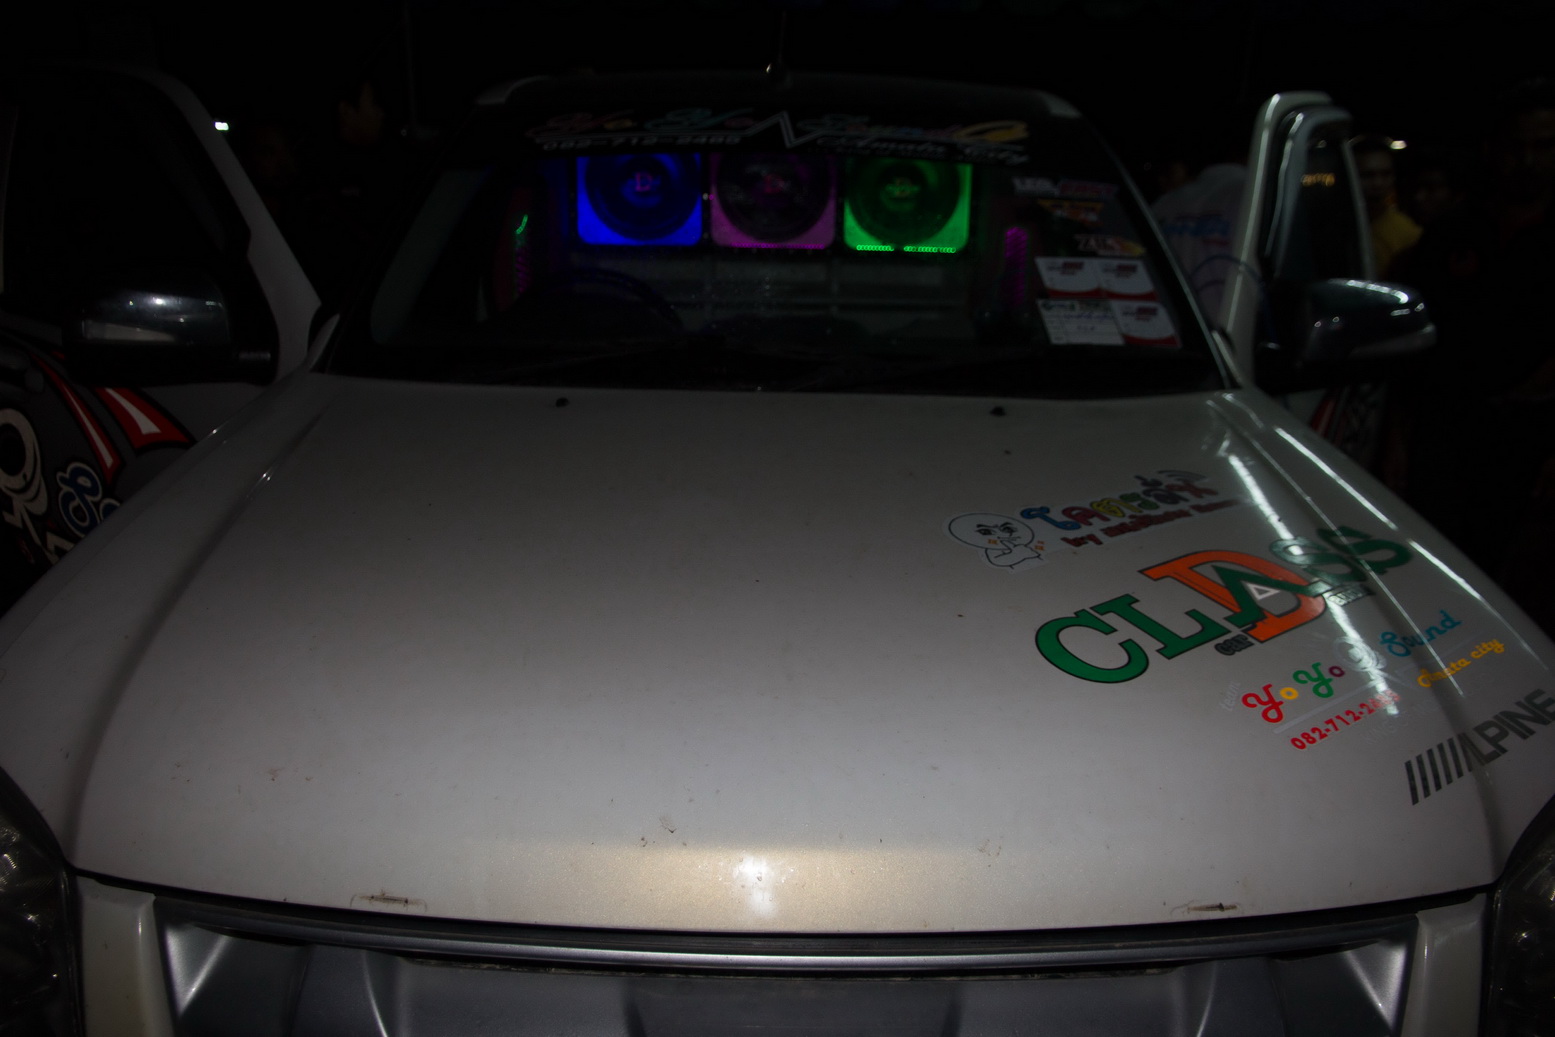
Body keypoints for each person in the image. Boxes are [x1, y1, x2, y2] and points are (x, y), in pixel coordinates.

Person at [1352, 135, 1421, 279]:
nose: (1378, 183)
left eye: (1386, 174)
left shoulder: (1407, 232)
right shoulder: (1334, 228)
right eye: (1368, 175)